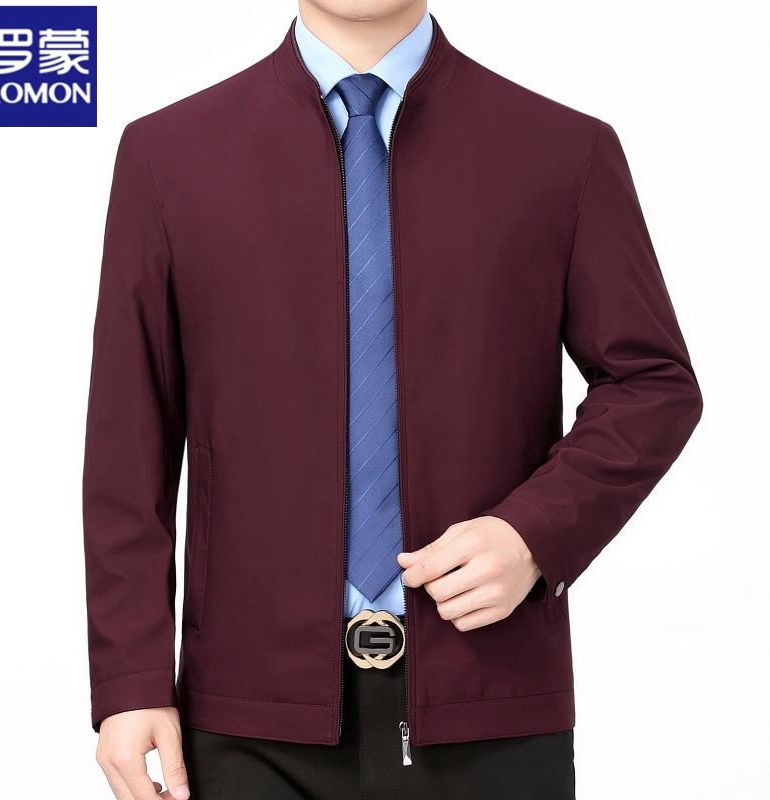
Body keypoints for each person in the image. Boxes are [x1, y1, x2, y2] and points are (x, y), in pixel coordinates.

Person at [82, 2, 703, 798]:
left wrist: (535, 533)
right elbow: (128, 438)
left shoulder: (563, 150)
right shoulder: (168, 155)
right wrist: (130, 676)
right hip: (244, 715)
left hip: (490, 699)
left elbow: (652, 381)